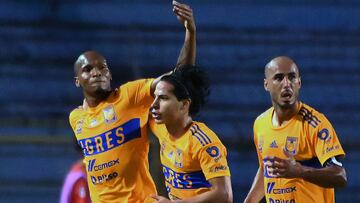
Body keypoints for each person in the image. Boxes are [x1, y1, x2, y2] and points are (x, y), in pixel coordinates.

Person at [68, 1, 196, 202]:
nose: (96, 73)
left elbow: (177, 79)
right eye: (87, 69)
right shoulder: (76, 118)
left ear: (110, 75)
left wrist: (190, 32)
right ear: (77, 81)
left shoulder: (130, 95)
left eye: (102, 68)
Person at [244, 56, 347, 203]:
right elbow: (265, 169)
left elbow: (340, 176)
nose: (287, 84)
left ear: (299, 82)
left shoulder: (315, 124)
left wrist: (300, 171)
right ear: (266, 84)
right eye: (279, 78)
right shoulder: (260, 123)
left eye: (291, 77)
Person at [149, 65, 233, 203]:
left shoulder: (203, 143)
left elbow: (224, 195)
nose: (154, 104)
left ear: (184, 105)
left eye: (163, 98)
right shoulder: (162, 128)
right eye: (155, 97)